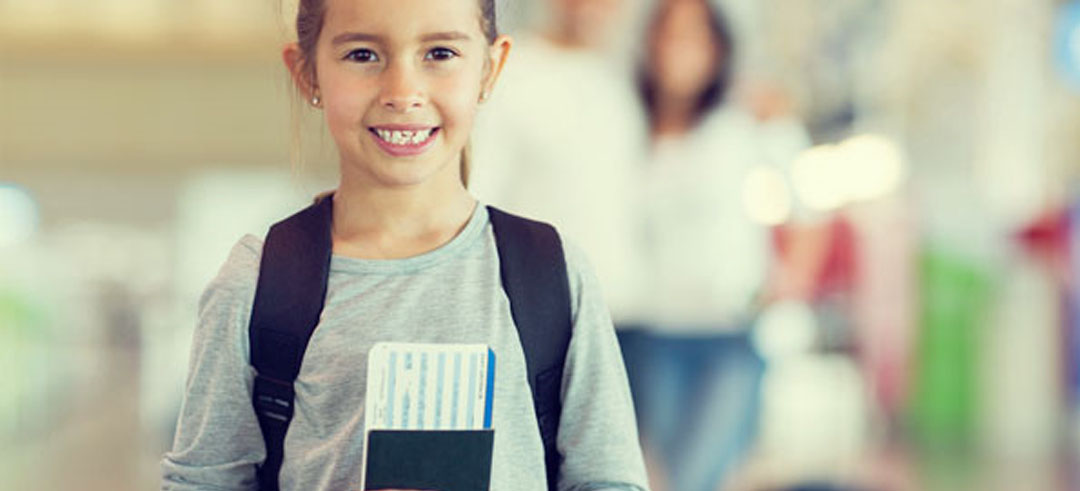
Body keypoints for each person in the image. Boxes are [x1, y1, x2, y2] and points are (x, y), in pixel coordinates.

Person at [160, 0, 649, 489]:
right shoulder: (258, 281)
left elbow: (608, 477)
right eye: (362, 55)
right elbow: (204, 479)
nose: (402, 92)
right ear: (307, 73)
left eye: (439, 53)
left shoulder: (551, 273)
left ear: (490, 68)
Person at [616, 1, 816, 490]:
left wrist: (790, 280)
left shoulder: (743, 119)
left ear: (717, 49)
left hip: (728, 334)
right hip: (654, 332)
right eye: (669, 36)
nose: (678, 50)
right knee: (660, 473)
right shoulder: (630, 124)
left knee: (694, 476)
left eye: (693, 38)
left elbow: (808, 209)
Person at [468, 0, 650, 325]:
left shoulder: (620, 78)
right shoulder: (513, 71)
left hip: (625, 310)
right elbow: (478, 192)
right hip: (543, 309)